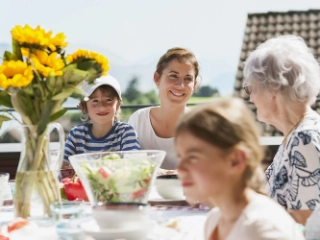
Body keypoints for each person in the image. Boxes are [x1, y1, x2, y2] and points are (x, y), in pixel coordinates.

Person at [175, 98, 304, 240]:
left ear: (236, 160)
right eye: (180, 157)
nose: (180, 169)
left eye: (193, 157)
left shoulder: (262, 230)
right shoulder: (215, 220)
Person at [243, 35, 320, 225]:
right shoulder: (296, 133)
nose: (251, 98)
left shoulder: (304, 138)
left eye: (251, 89)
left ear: (273, 88)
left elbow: (304, 223)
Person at [128, 47, 200, 170]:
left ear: (194, 84)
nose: (180, 85)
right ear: (157, 78)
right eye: (173, 76)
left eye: (188, 79)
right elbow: (129, 166)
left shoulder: (201, 126)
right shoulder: (138, 120)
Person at [63, 75, 140, 166]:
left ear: (118, 105)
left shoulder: (126, 132)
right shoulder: (76, 134)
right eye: (95, 101)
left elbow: (134, 164)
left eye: (108, 100)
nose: (102, 106)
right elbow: (62, 166)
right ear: (84, 106)